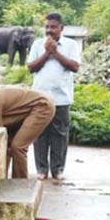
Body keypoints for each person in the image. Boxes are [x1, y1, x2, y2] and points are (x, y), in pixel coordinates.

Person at [27, 12, 81, 181]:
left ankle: (57, 170)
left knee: (60, 135)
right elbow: (31, 67)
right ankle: (41, 169)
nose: (49, 30)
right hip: (40, 98)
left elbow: (74, 66)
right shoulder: (37, 44)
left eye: (53, 27)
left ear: (61, 28)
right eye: (47, 27)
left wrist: (55, 53)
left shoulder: (71, 45)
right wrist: (46, 53)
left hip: (62, 98)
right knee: (40, 134)